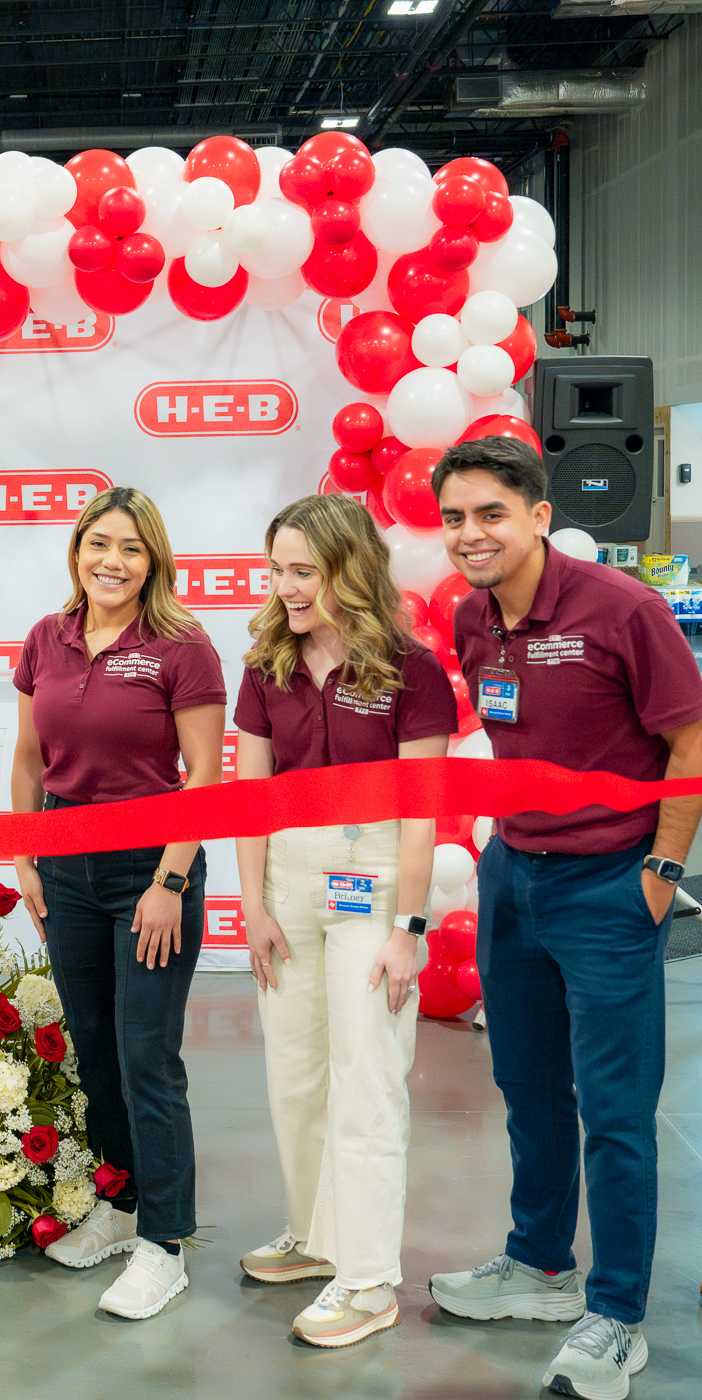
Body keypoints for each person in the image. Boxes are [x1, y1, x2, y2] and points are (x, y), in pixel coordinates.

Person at [425, 438, 702, 1399]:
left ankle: (618, 1316)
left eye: (491, 513)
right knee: (530, 1087)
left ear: (540, 514)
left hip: (611, 885)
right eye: (455, 517)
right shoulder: (470, 617)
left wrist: (663, 868)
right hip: (515, 876)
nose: (471, 534)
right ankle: (540, 1267)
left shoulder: (624, 608)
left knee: (616, 1111)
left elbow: (689, 736)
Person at [231, 494, 455, 1347]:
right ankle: (317, 1238)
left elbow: (422, 809)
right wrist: (251, 904)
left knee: (366, 1074)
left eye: (302, 572)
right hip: (287, 876)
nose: (285, 588)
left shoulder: (409, 668)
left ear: (348, 572)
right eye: (277, 570)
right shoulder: (266, 663)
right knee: (294, 1072)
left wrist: (409, 927)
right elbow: (250, 797)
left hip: (373, 871)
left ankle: (367, 1279)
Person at [8, 485, 225, 1320]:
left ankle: (163, 1246)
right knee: (94, 1048)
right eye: (100, 543)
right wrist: (25, 852)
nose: (113, 560)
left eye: (132, 547)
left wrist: (171, 881)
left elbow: (204, 775)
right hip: (64, 859)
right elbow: (29, 760)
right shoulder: (45, 639)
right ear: (76, 551)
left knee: (147, 1057)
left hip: (149, 862)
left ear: (153, 560)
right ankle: (120, 1203)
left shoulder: (182, 644)